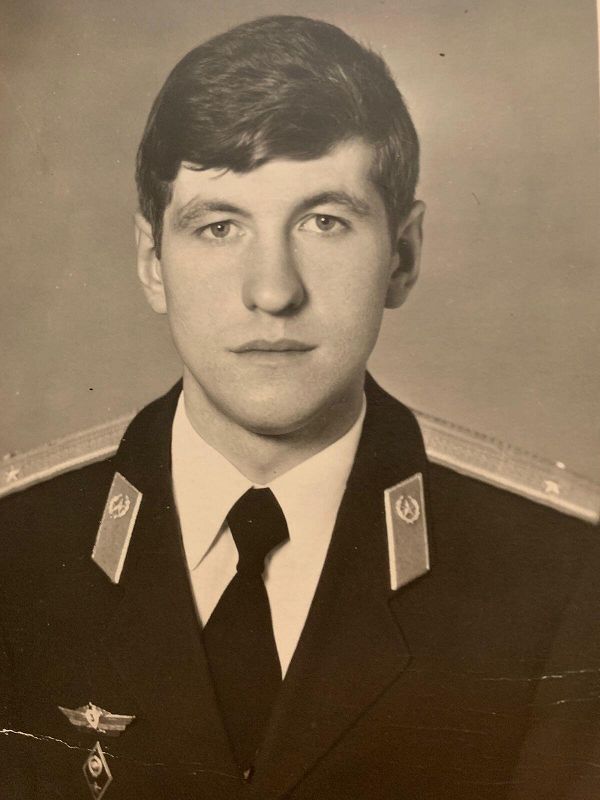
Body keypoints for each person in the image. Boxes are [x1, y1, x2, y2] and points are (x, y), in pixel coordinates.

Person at [0, 15, 598, 800]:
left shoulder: (560, 580)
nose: (273, 291)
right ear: (152, 261)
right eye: (219, 226)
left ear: (403, 254)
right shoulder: (16, 553)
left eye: (324, 223)